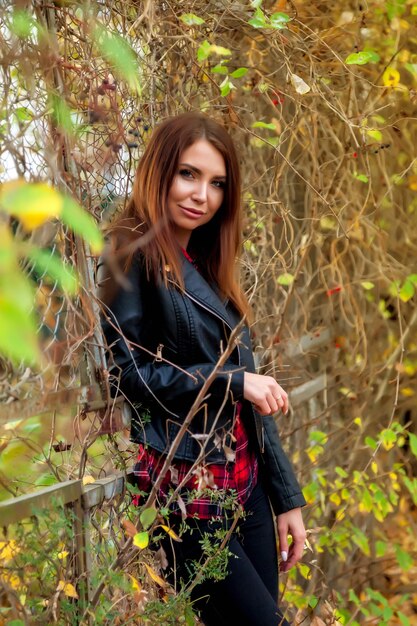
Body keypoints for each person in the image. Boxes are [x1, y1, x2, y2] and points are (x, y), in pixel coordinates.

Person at [97, 111, 306, 626]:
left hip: (244, 482)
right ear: (159, 171)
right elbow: (130, 373)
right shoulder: (130, 252)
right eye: (188, 174)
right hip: (185, 492)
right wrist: (234, 380)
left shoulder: (205, 264)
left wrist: (287, 498)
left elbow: (251, 401)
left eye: (216, 184)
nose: (202, 196)